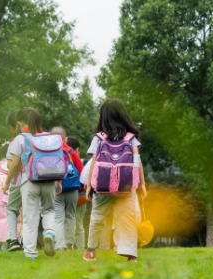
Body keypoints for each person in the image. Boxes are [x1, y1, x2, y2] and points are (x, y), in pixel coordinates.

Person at [83, 98, 147, 263]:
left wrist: (89, 185)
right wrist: (142, 184)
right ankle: (131, 255)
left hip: (102, 185)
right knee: (127, 218)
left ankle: (90, 251)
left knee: (97, 217)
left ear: (103, 116)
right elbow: (137, 161)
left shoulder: (99, 138)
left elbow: (94, 163)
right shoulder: (131, 138)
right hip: (126, 186)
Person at [3, 107, 62, 260]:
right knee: (48, 210)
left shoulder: (20, 139)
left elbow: (14, 164)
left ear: (19, 122)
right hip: (48, 179)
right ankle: (49, 232)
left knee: (30, 218)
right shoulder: (47, 138)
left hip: (29, 181)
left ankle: (31, 254)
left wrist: (6, 183)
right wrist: (58, 182)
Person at [51, 128, 84, 250]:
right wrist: (81, 190)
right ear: (65, 139)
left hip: (56, 189)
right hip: (72, 188)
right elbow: (80, 171)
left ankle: (60, 245)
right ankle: (69, 244)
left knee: (58, 217)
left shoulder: (49, 151)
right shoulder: (71, 152)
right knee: (70, 215)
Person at [4, 110, 24, 252]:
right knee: (29, 211)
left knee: (11, 208)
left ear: (12, 127)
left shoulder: (15, 142)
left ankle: (12, 239)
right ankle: (28, 240)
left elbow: (12, 164)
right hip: (35, 180)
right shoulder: (32, 139)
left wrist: (6, 182)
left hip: (18, 181)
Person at [68, 138, 88, 250]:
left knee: (67, 222)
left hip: (67, 195)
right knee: (79, 224)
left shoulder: (64, 161)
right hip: (81, 197)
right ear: (77, 149)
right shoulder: (83, 162)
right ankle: (80, 248)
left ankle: (69, 247)